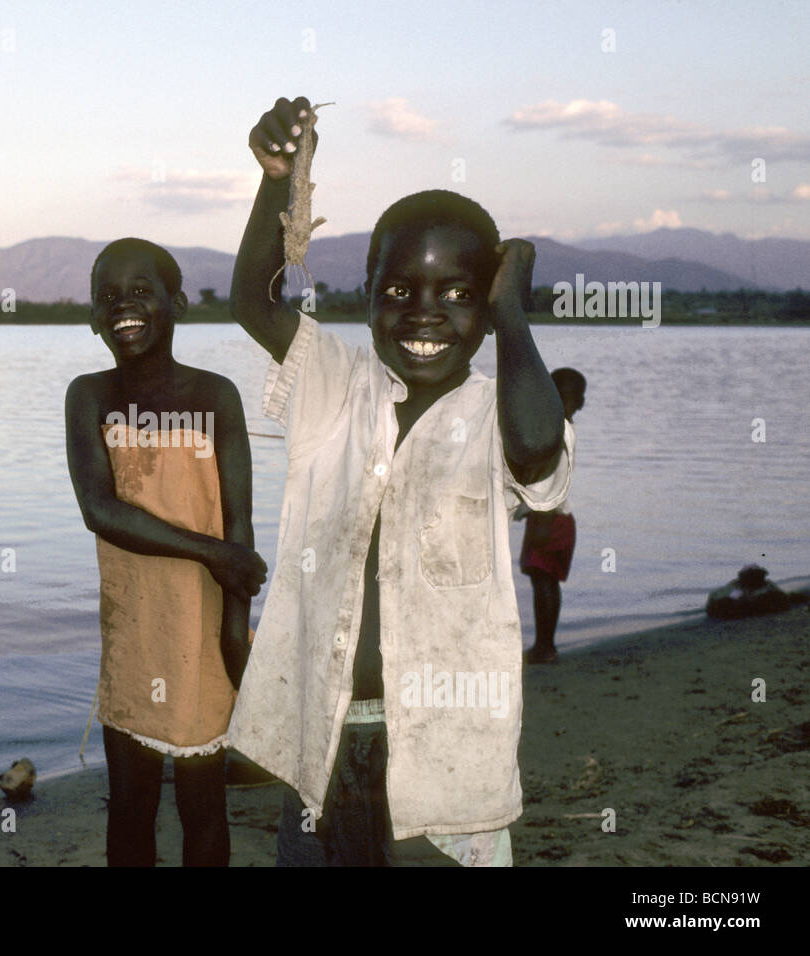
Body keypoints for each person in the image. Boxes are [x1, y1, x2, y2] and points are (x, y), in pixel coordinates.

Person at [225, 97, 574, 866]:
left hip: (446, 759)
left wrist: (513, 308)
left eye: (458, 294)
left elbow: (542, 446)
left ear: (485, 309)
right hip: (321, 740)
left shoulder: (498, 415)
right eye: (399, 291)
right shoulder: (333, 388)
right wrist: (278, 180)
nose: (424, 314)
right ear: (369, 295)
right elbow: (253, 298)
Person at [65, 238, 266, 866]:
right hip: (134, 631)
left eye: (141, 291)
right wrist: (213, 554)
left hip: (203, 632)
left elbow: (241, 526)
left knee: (204, 808)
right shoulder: (90, 396)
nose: (124, 305)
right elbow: (101, 511)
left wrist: (237, 631)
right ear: (95, 318)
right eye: (108, 296)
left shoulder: (216, 395)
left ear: (177, 302)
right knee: (131, 805)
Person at [517, 368, 585, 663]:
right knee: (545, 579)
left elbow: (550, 480)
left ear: (579, 403)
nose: (562, 402)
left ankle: (545, 647)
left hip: (550, 516)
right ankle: (546, 645)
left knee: (542, 579)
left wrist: (540, 523)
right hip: (555, 516)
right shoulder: (561, 429)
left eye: (567, 398)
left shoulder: (554, 431)